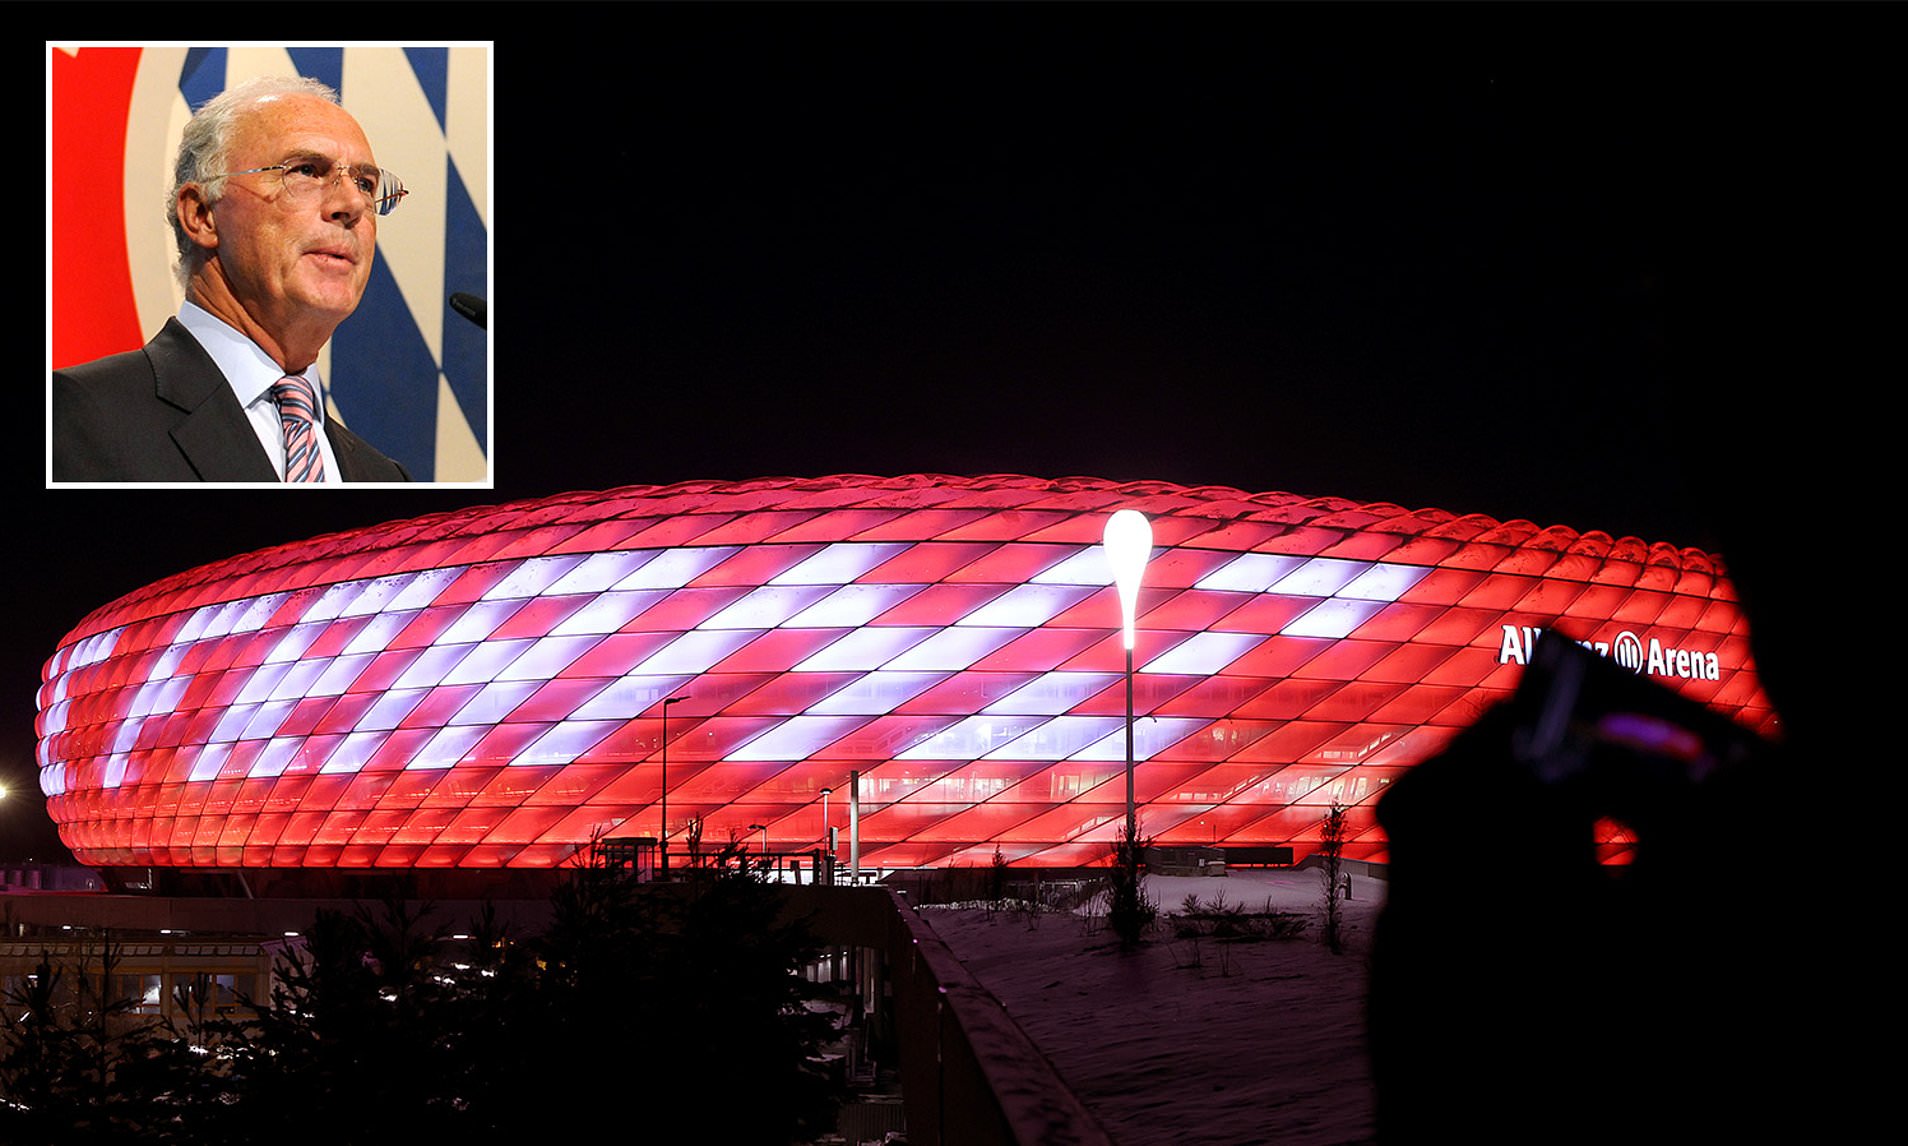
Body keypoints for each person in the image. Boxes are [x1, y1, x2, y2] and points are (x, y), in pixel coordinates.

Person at [53, 75, 410, 482]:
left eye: (365, 184)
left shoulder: (382, 477)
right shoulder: (73, 416)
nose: (351, 205)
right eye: (306, 171)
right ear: (203, 215)